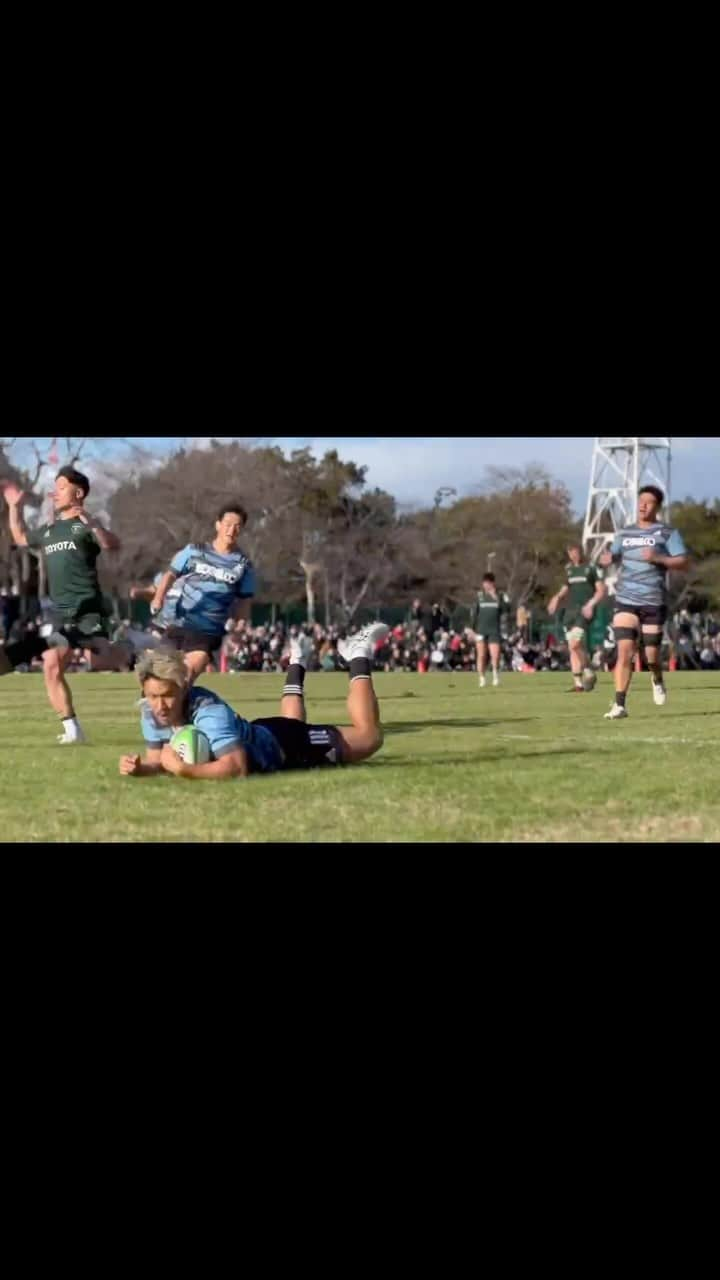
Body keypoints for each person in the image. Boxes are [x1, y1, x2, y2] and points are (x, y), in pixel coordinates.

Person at [119, 622, 389, 780]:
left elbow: (236, 766)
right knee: (292, 722)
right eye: (153, 696)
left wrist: (183, 769)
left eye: (167, 696)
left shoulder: (208, 713)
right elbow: (159, 758)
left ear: (182, 688)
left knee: (370, 737)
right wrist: (143, 767)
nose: (160, 705)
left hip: (285, 746)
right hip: (263, 734)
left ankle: (358, 654)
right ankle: (297, 660)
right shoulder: (150, 712)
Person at [1, 468, 121, 743]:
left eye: (61, 486)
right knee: (51, 665)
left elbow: (112, 544)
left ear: (78, 493)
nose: (55, 492)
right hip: (60, 612)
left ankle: (135, 660)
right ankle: (73, 731)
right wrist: (13, 507)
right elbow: (20, 537)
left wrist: (90, 521)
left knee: (98, 660)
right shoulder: (50, 530)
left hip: (88, 610)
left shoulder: (85, 526)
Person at [599, 485, 689, 719]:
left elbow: (683, 562)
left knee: (651, 656)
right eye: (640, 501)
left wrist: (659, 558)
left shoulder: (667, 533)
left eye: (648, 502)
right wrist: (608, 558)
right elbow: (614, 555)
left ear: (657, 507)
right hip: (626, 599)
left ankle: (657, 678)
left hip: (653, 600)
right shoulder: (625, 532)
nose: (643, 505)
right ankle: (620, 704)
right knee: (624, 651)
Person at [149, 501, 256, 682]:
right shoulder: (194, 551)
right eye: (228, 524)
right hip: (179, 623)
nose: (232, 530)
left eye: (237, 526)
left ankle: (184, 705)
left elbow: (244, 600)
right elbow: (170, 575)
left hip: (208, 630)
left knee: (186, 677)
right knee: (161, 677)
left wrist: (240, 625)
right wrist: (158, 598)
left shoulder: (244, 565)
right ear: (218, 525)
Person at [547, 544, 606, 693]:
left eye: (576, 552)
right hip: (570, 612)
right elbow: (565, 588)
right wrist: (556, 598)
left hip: (583, 611)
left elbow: (601, 591)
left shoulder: (590, 569)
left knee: (575, 643)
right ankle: (578, 684)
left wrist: (591, 605)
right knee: (572, 648)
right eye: (570, 552)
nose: (573, 555)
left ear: (580, 553)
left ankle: (588, 668)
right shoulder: (569, 570)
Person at [470, 573, 509, 687]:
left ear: (493, 583)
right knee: (481, 655)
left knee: (495, 655)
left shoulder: (501, 595)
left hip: (494, 630)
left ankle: (496, 676)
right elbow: (474, 613)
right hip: (481, 630)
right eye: (484, 583)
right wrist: (472, 629)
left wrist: (496, 598)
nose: (486, 585)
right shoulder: (480, 596)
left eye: (488, 583)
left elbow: (507, 609)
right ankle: (481, 678)